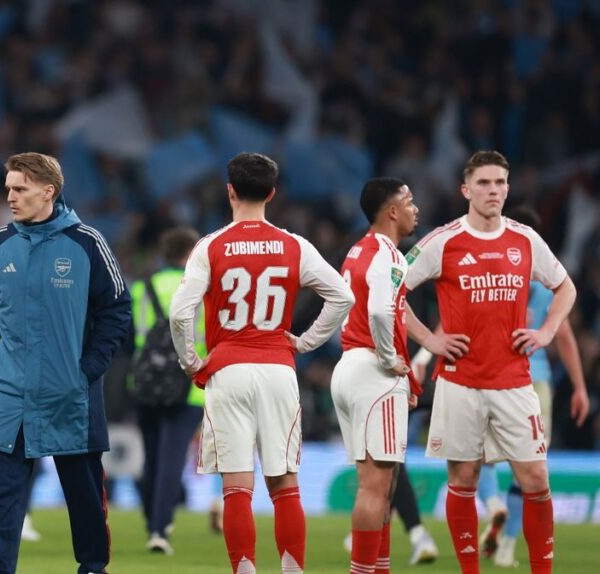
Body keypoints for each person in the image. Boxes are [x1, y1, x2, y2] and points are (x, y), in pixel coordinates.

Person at [0, 152, 131, 574]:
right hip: (10, 393)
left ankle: (93, 567)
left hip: (70, 393)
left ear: (48, 191)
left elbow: (118, 310)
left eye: (20, 189)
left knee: (85, 495)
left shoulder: (87, 243)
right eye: (8, 189)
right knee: (3, 496)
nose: (11, 197)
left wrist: (88, 369)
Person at [169, 152, 354, 574]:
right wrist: (305, 342)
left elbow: (181, 313)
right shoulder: (294, 245)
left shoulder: (210, 246)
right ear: (272, 193)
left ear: (229, 191)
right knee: (285, 484)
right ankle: (292, 570)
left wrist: (192, 362)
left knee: (236, 486)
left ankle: (246, 570)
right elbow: (342, 296)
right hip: (277, 369)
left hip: (228, 370)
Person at [404, 151, 576, 574]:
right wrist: (430, 339)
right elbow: (391, 290)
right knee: (463, 480)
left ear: (508, 188)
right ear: (466, 190)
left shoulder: (525, 239)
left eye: (500, 182)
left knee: (536, 480)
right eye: (483, 183)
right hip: (460, 383)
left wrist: (546, 333)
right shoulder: (441, 241)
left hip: (515, 382)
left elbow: (565, 287)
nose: (493, 190)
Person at [455, 205, 588, 568]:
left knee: (480, 458)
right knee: (529, 468)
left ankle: (493, 506)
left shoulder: (483, 271)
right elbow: (564, 337)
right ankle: (509, 545)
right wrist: (579, 386)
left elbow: (456, 326)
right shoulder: (546, 282)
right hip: (536, 382)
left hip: (488, 377)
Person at [331, 177, 421, 573]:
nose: (415, 208)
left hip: (349, 366)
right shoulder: (390, 255)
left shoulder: (356, 251)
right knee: (376, 487)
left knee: (381, 486)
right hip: (372, 371)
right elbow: (383, 313)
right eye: (409, 201)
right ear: (392, 211)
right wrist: (390, 359)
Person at [129, 225, 206, 555]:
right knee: (173, 458)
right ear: (191, 253)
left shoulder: (142, 287)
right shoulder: (202, 288)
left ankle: (151, 517)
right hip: (188, 384)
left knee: (151, 455)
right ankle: (160, 529)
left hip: (145, 380)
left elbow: (132, 334)